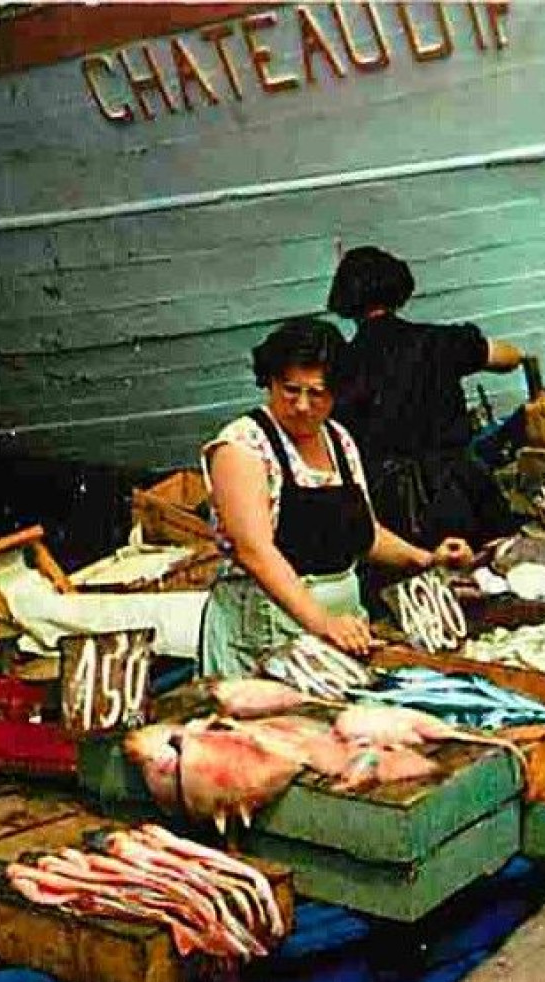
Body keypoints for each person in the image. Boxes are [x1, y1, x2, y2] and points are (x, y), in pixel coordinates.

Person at [199, 317, 474, 677]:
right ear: (269, 381)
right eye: (290, 390)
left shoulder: (338, 440)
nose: (301, 405)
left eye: (317, 394)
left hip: (341, 630)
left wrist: (426, 559)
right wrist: (323, 623)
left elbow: (365, 532)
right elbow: (255, 552)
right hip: (266, 635)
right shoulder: (242, 446)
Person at [326, 246, 528, 550]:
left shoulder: (342, 364)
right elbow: (510, 357)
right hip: (459, 488)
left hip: (386, 504)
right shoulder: (438, 341)